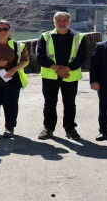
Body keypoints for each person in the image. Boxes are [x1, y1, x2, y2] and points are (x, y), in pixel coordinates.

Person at [36, 11, 87, 140]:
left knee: (69, 103)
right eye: (59, 20)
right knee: (49, 104)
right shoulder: (45, 36)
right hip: (50, 76)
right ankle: (48, 128)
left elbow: (82, 57)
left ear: (69, 22)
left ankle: (70, 128)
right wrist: (57, 69)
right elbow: (40, 57)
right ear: (54, 22)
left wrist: (67, 68)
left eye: (65, 20)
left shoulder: (79, 37)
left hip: (70, 75)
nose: (62, 23)